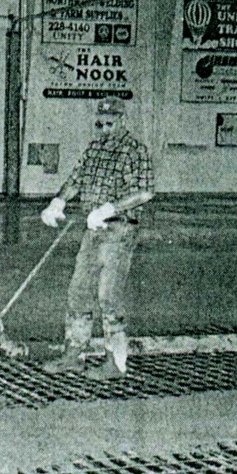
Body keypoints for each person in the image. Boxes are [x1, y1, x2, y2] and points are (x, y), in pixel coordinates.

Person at [40, 97, 155, 380]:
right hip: (93, 231)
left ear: (122, 120)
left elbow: (145, 192)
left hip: (119, 230)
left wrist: (109, 209)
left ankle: (116, 363)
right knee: (78, 292)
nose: (104, 129)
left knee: (108, 297)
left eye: (110, 123)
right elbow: (76, 179)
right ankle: (74, 355)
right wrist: (58, 201)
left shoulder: (134, 150)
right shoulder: (94, 148)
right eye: (100, 123)